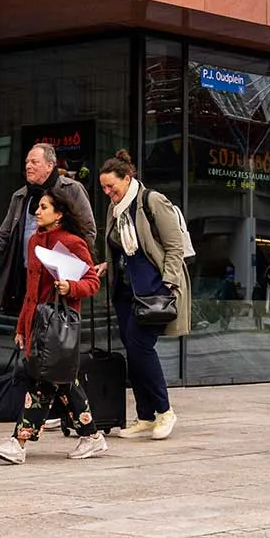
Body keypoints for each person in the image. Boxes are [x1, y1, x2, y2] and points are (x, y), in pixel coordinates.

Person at [0, 191, 106, 464]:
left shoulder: (73, 242)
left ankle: (18, 443)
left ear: (59, 213)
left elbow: (92, 282)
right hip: (36, 323)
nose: (37, 212)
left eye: (43, 207)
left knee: (42, 382)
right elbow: (31, 293)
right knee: (63, 381)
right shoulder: (33, 242)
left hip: (57, 325)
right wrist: (22, 327)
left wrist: (70, 287)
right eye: (37, 207)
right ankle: (91, 436)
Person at [95, 150, 187, 439]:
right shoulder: (115, 210)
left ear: (128, 178)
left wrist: (170, 284)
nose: (108, 192)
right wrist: (106, 265)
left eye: (112, 186)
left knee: (141, 347)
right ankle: (145, 416)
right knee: (134, 350)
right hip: (125, 291)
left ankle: (164, 411)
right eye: (104, 188)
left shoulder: (151, 201)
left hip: (154, 290)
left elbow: (175, 246)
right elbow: (119, 249)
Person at [0, 144, 99, 321]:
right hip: (25, 275)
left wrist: (73, 276)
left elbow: (88, 231)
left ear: (50, 165)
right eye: (26, 162)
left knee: (53, 333)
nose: (28, 166)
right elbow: (3, 236)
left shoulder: (71, 189)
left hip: (56, 281)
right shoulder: (21, 196)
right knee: (26, 330)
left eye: (34, 162)